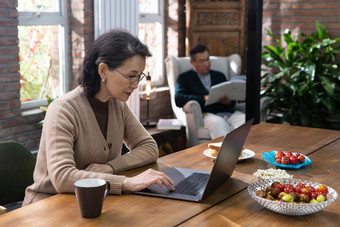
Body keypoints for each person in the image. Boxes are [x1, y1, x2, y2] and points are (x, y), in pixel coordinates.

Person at [23, 29, 174, 206]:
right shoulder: (63, 110)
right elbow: (62, 177)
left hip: (96, 201)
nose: (135, 85)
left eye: (138, 76)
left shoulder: (117, 104)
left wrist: (110, 167)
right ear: (103, 71)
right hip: (49, 205)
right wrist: (125, 182)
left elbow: (148, 147)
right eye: (131, 76)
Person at [175, 44, 245, 139]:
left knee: (245, 121)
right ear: (192, 62)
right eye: (202, 61)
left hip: (229, 112)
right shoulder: (185, 78)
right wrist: (204, 98)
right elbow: (179, 98)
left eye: (208, 59)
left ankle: (248, 152)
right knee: (218, 123)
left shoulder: (219, 75)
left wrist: (229, 102)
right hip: (208, 114)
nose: (207, 63)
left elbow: (231, 99)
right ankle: (226, 153)